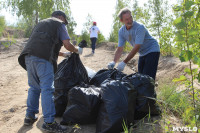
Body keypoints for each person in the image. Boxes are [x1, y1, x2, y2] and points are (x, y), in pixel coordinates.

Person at [18, 10, 83, 133]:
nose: (64, 23)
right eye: (64, 20)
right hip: (43, 60)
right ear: (61, 17)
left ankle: (29, 116)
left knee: (34, 87)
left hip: (28, 57)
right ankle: (49, 122)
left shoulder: (41, 23)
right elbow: (67, 44)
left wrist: (63, 54)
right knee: (47, 89)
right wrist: (77, 50)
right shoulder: (59, 24)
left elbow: (43, 45)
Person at [107, 8, 160, 80]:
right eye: (127, 19)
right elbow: (120, 49)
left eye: (130, 17)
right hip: (142, 53)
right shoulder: (121, 31)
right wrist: (114, 62)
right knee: (141, 77)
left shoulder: (139, 28)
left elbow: (137, 47)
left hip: (152, 50)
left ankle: (150, 89)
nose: (130, 20)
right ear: (121, 21)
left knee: (147, 78)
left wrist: (124, 62)